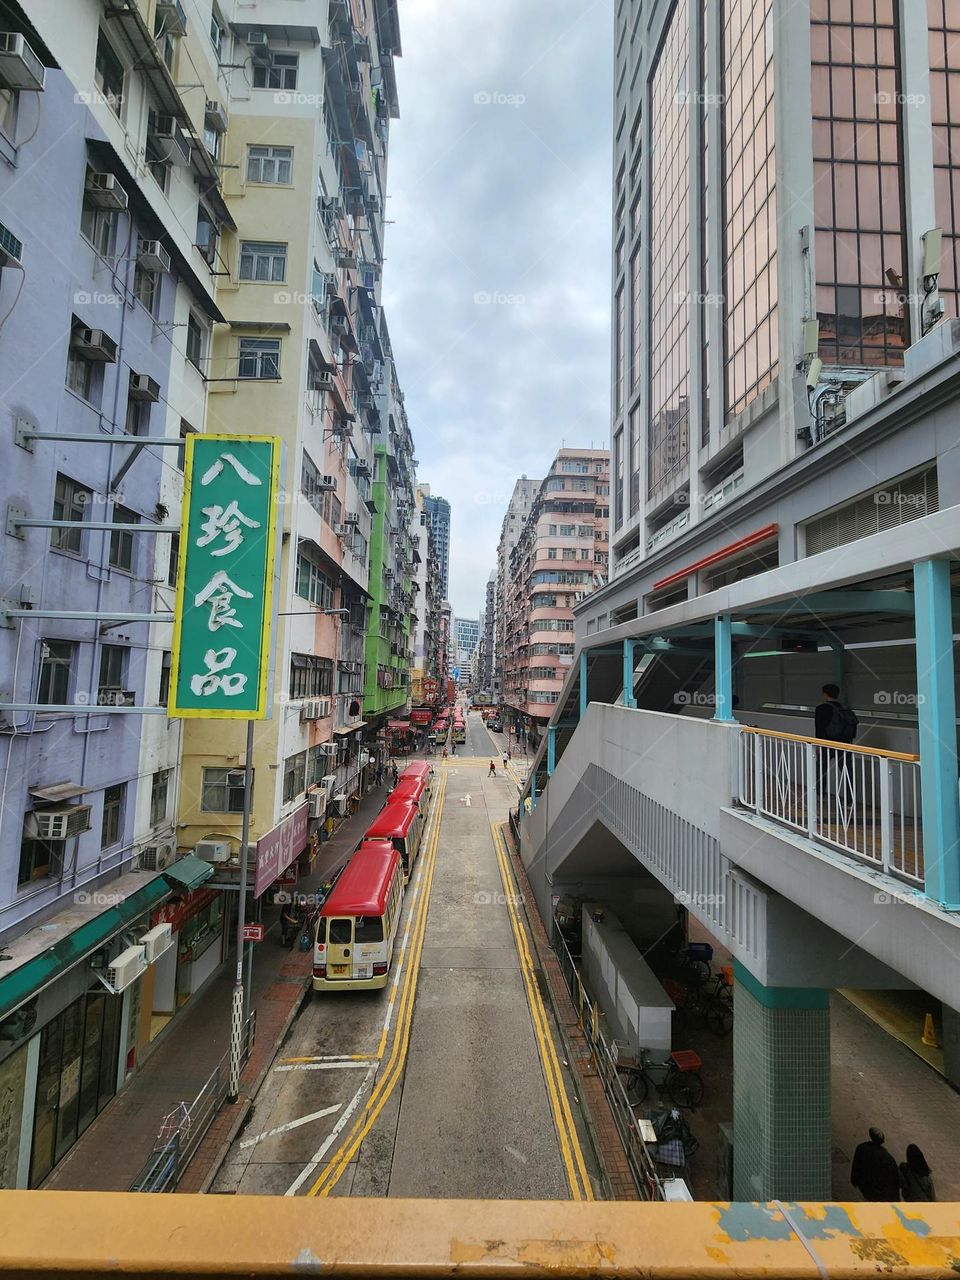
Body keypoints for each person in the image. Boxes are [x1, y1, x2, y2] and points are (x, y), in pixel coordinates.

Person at [815, 683, 858, 794]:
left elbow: (819, 728)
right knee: (847, 771)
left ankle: (820, 795)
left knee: (821, 769)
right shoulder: (845, 710)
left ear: (825, 694)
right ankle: (849, 799)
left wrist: (818, 744)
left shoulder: (821, 708)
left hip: (827, 744)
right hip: (844, 744)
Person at [851, 1127, 900, 1201]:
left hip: (866, 1187)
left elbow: (856, 1165)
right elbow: (896, 1176)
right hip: (881, 1192)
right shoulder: (887, 1157)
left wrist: (854, 1180)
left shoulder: (862, 1148)